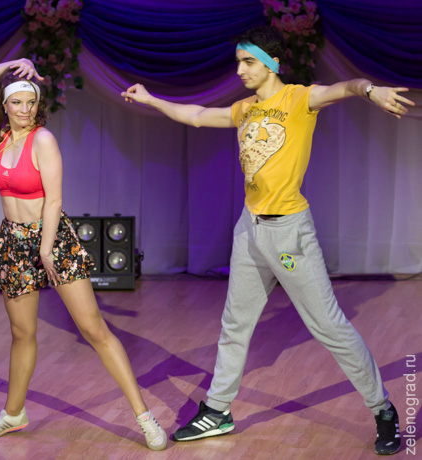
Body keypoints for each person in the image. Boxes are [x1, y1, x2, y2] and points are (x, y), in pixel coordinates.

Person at [121, 25, 415, 455]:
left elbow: (345, 87)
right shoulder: (244, 109)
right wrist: (151, 100)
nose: (240, 70)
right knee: (235, 324)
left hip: (289, 235)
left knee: (329, 327)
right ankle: (218, 410)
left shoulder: (299, 98)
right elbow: (198, 115)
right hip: (250, 229)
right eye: (238, 62)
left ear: (272, 63)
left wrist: (370, 90)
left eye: (248, 62)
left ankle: (383, 409)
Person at [0, 59, 167, 451]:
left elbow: (54, 199)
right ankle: (14, 414)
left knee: (94, 329)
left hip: (53, 239)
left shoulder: (42, 139)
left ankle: (145, 418)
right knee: (21, 333)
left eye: (31, 102)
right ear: (4, 105)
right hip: (13, 242)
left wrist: (45, 249)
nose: (25, 109)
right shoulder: (0, 133)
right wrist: (18, 63)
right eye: (17, 102)